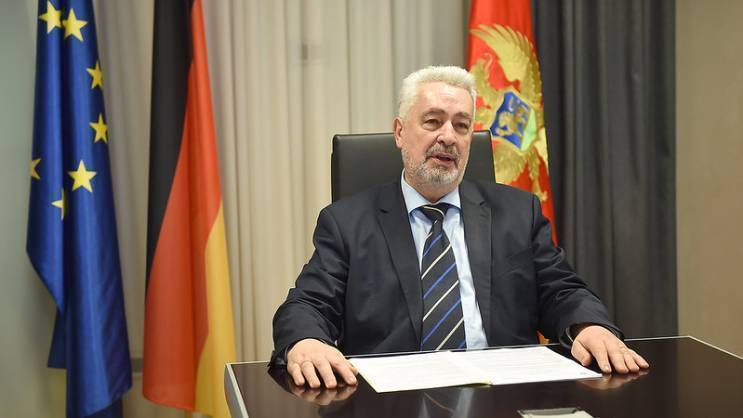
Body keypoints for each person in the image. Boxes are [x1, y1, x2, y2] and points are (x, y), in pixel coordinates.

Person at [272, 66, 648, 389]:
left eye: (462, 125)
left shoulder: (518, 212)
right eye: (433, 121)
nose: (448, 136)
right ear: (400, 132)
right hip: (391, 400)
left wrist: (588, 326)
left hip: (503, 396)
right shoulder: (347, 222)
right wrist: (306, 341)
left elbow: (561, 290)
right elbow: (308, 304)